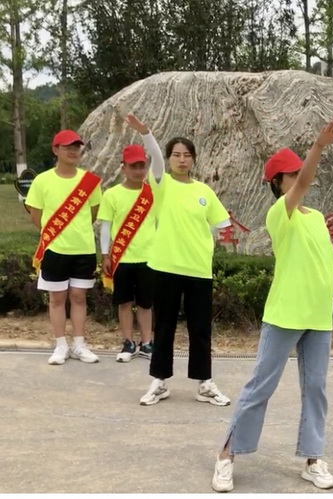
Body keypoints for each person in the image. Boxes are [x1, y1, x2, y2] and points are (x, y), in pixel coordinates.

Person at [212, 121, 333, 493]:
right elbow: (302, 186)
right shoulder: (279, 215)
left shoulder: (317, 219)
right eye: (293, 174)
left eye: (300, 171)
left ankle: (313, 459)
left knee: (315, 388)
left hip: (318, 317)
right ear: (278, 183)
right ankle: (226, 455)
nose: (301, 178)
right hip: (286, 313)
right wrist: (318, 147)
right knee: (260, 387)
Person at [123, 114, 233, 406]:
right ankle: (159, 381)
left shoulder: (204, 191)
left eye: (187, 155)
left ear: (193, 159)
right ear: (169, 159)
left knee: (200, 329)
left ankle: (204, 384)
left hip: (198, 270)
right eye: (176, 155)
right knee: (165, 327)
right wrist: (146, 133)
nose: (181, 160)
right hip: (165, 267)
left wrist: (204, 243)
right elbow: (156, 160)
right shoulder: (161, 184)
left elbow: (221, 224)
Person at [25, 130, 103, 365]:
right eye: (68, 146)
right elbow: (36, 216)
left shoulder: (90, 181)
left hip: (83, 249)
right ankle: (61, 345)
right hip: (54, 249)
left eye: (76, 147)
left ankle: (79, 344)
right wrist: (55, 234)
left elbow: (93, 213)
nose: (73, 151)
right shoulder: (42, 181)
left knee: (79, 297)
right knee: (57, 298)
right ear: (55, 150)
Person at [98, 144, 157, 362]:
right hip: (121, 258)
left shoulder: (153, 194)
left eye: (142, 166)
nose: (138, 171)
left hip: (148, 257)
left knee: (145, 304)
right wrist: (105, 254)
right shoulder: (112, 194)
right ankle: (128, 342)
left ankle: (147, 343)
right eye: (133, 166)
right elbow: (105, 226)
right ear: (123, 168)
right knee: (124, 302)